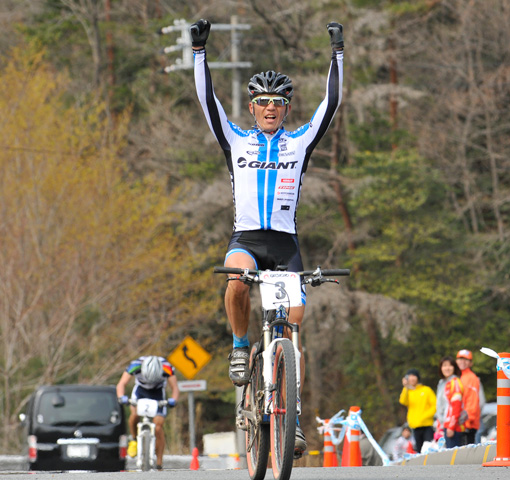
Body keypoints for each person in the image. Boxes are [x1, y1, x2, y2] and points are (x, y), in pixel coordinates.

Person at [190, 18, 344, 458]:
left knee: (293, 323)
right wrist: (199, 51)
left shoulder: (299, 144)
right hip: (247, 240)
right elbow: (207, 102)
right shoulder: (236, 140)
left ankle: (290, 418)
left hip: (286, 246)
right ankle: (241, 346)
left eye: (278, 102)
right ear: (253, 108)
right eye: (262, 102)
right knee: (236, 280)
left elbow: (330, 105)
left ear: (287, 108)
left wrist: (338, 53)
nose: (270, 108)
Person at [116, 355, 179, 470]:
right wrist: (121, 397)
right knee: (134, 414)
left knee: (158, 426)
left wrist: (173, 400)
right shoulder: (135, 365)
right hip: (141, 391)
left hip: (158, 393)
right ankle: (134, 439)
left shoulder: (167, 367)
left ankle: (159, 462)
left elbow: (174, 387)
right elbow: (121, 384)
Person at [399, 368, 436, 451]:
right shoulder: (408, 392)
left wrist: (425, 416)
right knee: (419, 450)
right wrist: (405, 387)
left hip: (427, 425)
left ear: (417, 377)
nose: (412, 378)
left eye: (414, 376)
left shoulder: (426, 390)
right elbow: (403, 401)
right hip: (415, 426)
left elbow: (434, 405)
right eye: (410, 376)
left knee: (428, 448)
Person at [436, 356, 465, 448]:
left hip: (453, 426)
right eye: (444, 365)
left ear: (454, 368)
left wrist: (451, 427)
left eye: (450, 365)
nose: (447, 368)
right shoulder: (442, 383)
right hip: (445, 425)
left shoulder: (455, 382)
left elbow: (456, 406)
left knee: (454, 459)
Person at [456, 349, 482, 445]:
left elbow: (473, 401)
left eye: (466, 359)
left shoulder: (471, 378)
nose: (462, 362)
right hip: (459, 423)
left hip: (467, 424)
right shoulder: (457, 376)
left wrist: (467, 421)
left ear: (470, 363)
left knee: (465, 456)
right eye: (460, 359)